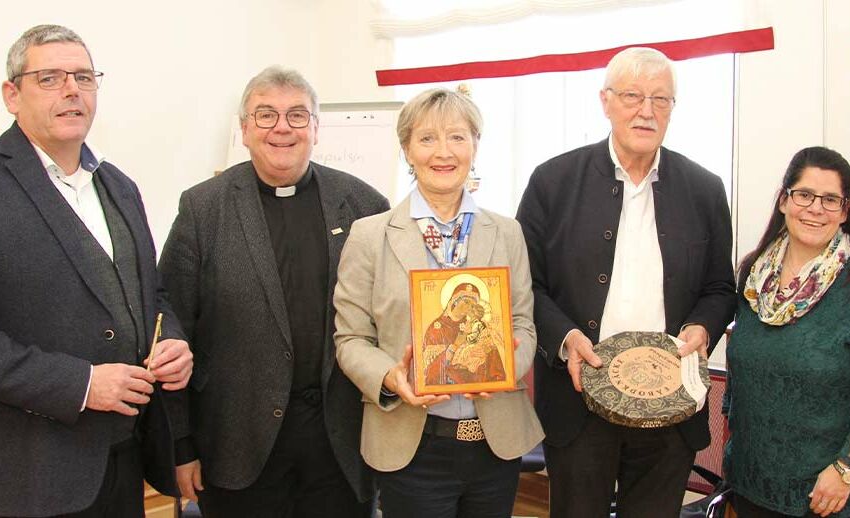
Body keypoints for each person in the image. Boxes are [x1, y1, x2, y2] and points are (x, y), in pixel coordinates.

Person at [0, 24, 193, 517]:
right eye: (50, 78)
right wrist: (80, 384)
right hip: (24, 473)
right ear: (11, 95)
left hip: (121, 463)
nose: (71, 90)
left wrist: (175, 342)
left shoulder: (118, 186)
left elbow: (154, 296)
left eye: (84, 77)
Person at [516, 47, 737, 518]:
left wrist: (701, 329)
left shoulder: (704, 189)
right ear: (606, 101)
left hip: (669, 407)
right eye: (633, 95)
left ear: (673, 110)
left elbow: (720, 289)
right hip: (579, 404)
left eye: (661, 100)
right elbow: (524, 286)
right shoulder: (552, 182)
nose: (647, 110)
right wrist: (565, 338)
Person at [158, 66, 387, 516]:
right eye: (265, 115)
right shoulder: (203, 208)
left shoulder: (364, 205)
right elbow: (171, 323)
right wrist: (181, 444)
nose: (282, 127)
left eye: (297, 115)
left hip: (339, 443)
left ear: (317, 129)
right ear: (244, 129)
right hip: (237, 444)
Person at [333, 87, 543, 518]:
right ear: (407, 150)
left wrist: (501, 368)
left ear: (475, 146)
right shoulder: (370, 235)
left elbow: (524, 324)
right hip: (409, 444)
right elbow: (350, 338)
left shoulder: (507, 233)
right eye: (427, 138)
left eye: (457, 137)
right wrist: (390, 377)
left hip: (493, 441)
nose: (443, 152)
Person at [725, 147, 850, 517]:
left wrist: (846, 469)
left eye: (830, 199)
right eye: (804, 195)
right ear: (784, 201)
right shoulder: (754, 274)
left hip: (824, 492)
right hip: (750, 478)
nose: (815, 208)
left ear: (844, 211)